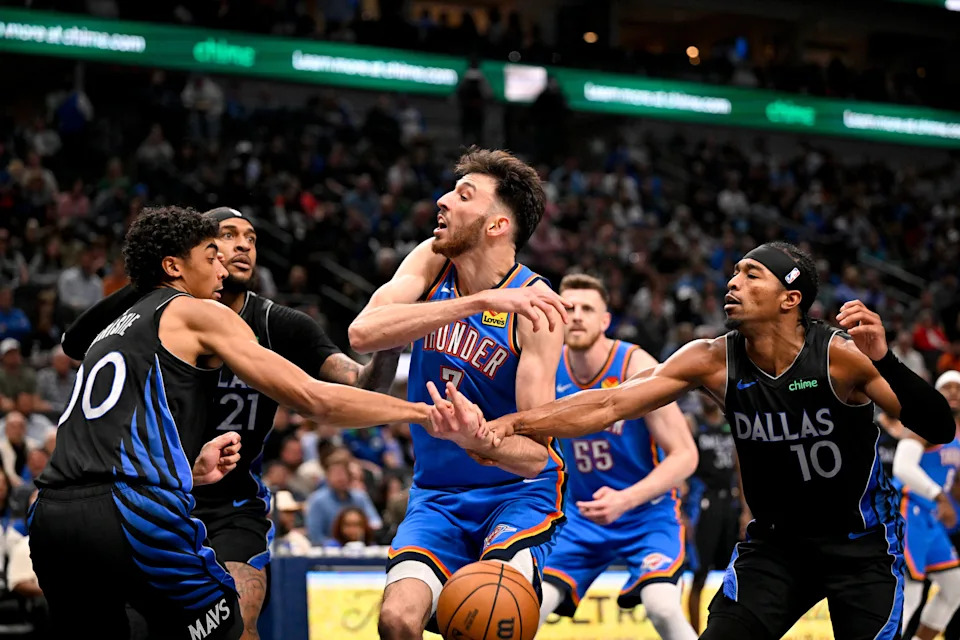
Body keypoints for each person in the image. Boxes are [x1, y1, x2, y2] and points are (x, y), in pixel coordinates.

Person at [471, 241, 957, 640]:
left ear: (791, 298)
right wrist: (515, 424)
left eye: (751, 275)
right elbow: (608, 405)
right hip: (776, 548)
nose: (733, 282)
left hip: (861, 547)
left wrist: (886, 360)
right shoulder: (711, 359)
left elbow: (940, 428)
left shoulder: (839, 357)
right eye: (734, 273)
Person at [29, 206, 454, 640]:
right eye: (213, 251)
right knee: (226, 631)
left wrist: (185, 468)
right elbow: (314, 399)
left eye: (248, 239)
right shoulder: (199, 313)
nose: (226, 260)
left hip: (53, 513)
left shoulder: (117, 328)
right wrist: (424, 412)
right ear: (175, 265)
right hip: (132, 510)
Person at [348, 147, 570, 639]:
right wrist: (479, 301)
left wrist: (480, 439)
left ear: (496, 226)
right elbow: (363, 333)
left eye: (463, 195)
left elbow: (537, 456)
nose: (443, 201)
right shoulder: (431, 260)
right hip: (438, 493)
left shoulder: (538, 310)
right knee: (396, 621)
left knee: (489, 618)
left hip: (517, 495)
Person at [537, 274, 698, 639]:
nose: (576, 316)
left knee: (662, 606)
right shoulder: (546, 365)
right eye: (568, 308)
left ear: (605, 320)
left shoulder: (633, 364)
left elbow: (686, 455)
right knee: (529, 605)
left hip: (646, 512)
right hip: (581, 515)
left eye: (586, 309)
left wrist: (626, 499)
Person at [894, 370, 960, 640]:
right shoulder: (927, 420)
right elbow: (902, 467)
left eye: (958, 388)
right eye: (947, 388)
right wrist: (939, 496)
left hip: (930, 519)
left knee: (955, 587)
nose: (954, 392)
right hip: (908, 511)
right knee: (910, 592)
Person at [687, 401, 741, 632]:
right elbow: (683, 463)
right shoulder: (691, 423)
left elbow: (741, 467)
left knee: (738, 572)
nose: (705, 396)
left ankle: (733, 630)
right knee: (700, 575)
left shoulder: (732, 422)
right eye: (700, 392)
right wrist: (684, 512)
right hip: (703, 502)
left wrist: (746, 510)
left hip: (730, 500)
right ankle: (694, 633)